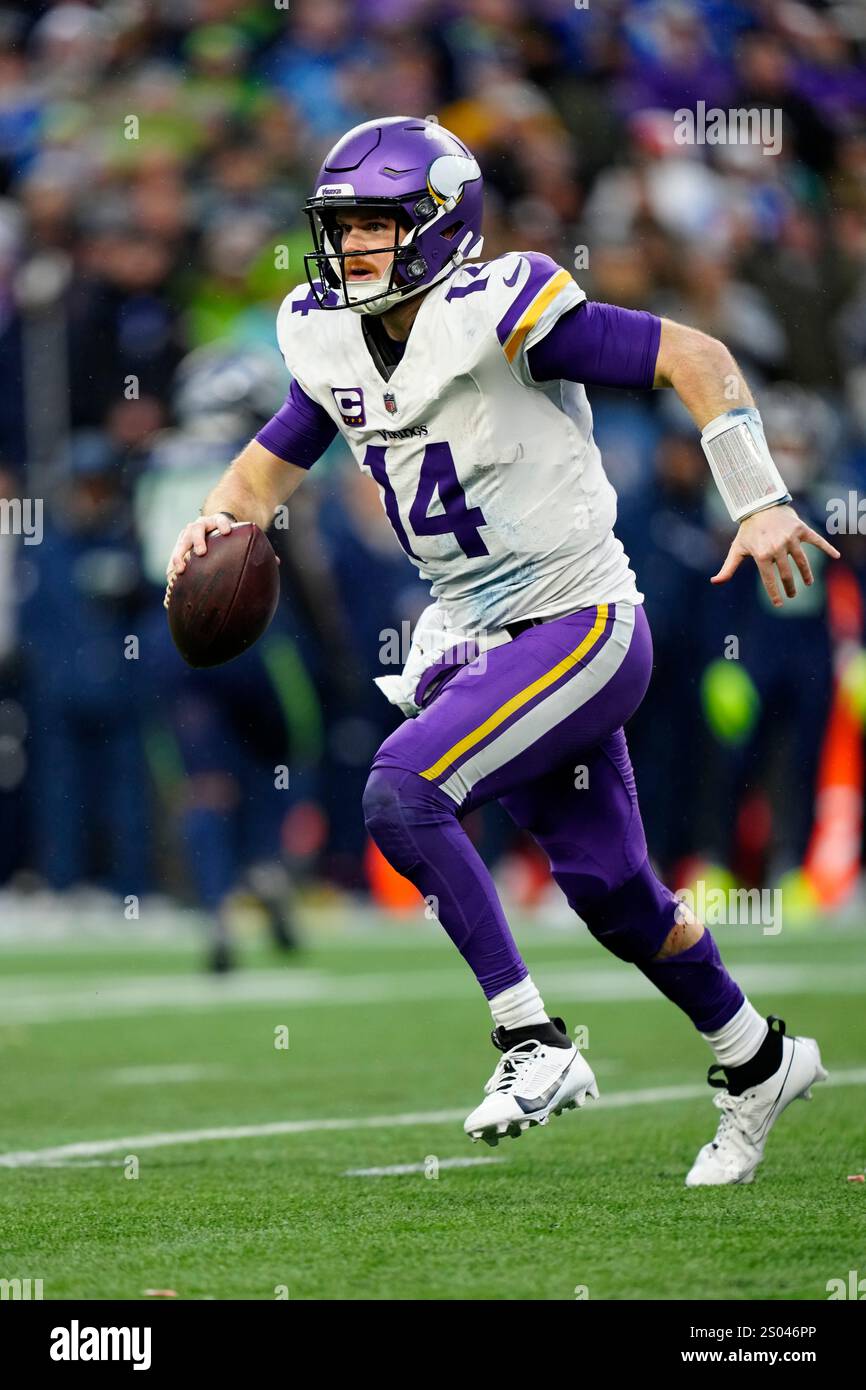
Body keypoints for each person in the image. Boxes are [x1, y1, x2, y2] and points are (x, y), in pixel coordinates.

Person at [167, 118, 839, 1186]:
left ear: (440, 224)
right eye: (340, 230)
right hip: (471, 636)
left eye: (377, 228)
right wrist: (214, 522)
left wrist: (755, 501)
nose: (351, 252)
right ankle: (754, 1056)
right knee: (614, 891)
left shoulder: (502, 310)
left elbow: (694, 356)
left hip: (580, 622)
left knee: (400, 788)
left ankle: (530, 1038)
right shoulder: (326, 336)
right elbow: (266, 466)